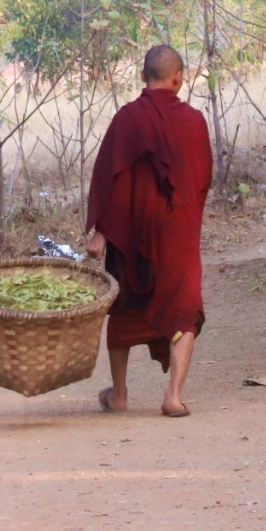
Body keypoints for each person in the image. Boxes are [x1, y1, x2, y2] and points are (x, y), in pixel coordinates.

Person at [84, 44, 213, 417]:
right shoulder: (193, 121)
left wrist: (103, 232)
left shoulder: (127, 118)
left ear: (143, 77)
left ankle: (120, 394)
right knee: (184, 308)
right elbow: (201, 180)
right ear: (179, 77)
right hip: (177, 232)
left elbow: (111, 180)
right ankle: (173, 395)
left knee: (124, 305)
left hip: (131, 231)